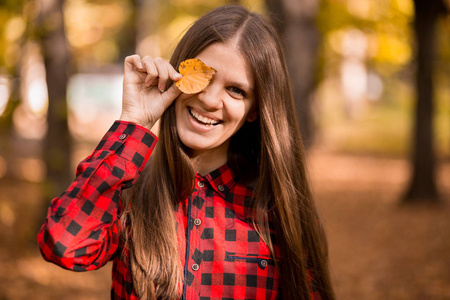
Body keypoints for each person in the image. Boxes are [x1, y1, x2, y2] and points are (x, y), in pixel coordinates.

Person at [37, 5, 334, 300]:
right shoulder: (129, 191)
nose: (208, 99)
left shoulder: (278, 210)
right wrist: (133, 122)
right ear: (177, 72)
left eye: (236, 90)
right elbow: (64, 245)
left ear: (255, 109)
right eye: (202, 76)